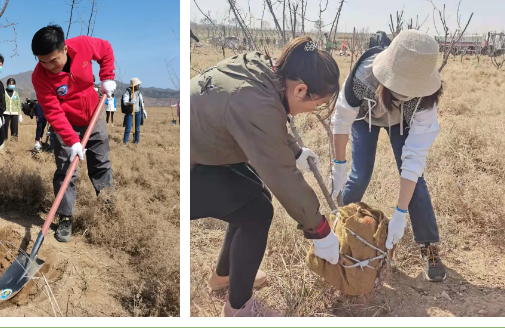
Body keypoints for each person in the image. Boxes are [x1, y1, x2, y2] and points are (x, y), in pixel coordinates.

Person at [190, 36, 342, 317]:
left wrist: (294, 150)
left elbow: (265, 122)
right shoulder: (256, 101)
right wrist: (319, 230)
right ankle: (239, 310)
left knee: (254, 193)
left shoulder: (262, 70)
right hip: (187, 169)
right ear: (300, 90)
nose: (315, 109)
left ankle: (223, 275)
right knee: (257, 211)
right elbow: (282, 177)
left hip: (201, 151)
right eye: (318, 103)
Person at [330, 29, 446, 282]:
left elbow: (413, 159)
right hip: (366, 118)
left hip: (400, 122)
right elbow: (341, 121)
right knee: (359, 176)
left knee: (416, 184)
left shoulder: (426, 99)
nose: (406, 91)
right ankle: (337, 231)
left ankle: (429, 247)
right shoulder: (362, 77)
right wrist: (338, 164)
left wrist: (400, 213)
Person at [31, 24, 116, 243]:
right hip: (65, 124)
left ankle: (109, 208)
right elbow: (53, 111)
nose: (49, 66)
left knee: (101, 163)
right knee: (66, 170)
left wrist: (107, 77)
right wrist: (72, 141)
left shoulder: (83, 45)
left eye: (53, 60)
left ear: (65, 49)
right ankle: (65, 217)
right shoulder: (39, 77)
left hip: (94, 115)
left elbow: (106, 49)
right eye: (42, 61)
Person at [122, 78, 146, 145]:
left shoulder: (139, 93)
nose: (139, 86)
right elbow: (124, 102)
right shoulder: (128, 92)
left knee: (137, 129)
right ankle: (125, 143)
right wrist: (130, 102)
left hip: (138, 113)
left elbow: (141, 102)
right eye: (138, 85)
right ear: (134, 85)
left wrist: (143, 110)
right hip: (130, 113)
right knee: (128, 129)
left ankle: (136, 142)